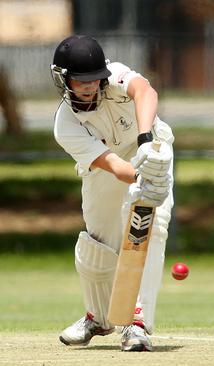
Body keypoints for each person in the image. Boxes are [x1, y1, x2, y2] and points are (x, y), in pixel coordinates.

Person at [50, 35, 174, 352]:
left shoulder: (115, 76)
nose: (90, 86)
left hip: (151, 150)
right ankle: (99, 317)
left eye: (94, 79)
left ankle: (138, 324)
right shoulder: (66, 124)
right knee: (97, 243)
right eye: (81, 80)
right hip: (108, 166)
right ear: (63, 78)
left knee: (150, 227)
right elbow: (117, 167)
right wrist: (143, 176)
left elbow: (145, 91)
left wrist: (147, 143)